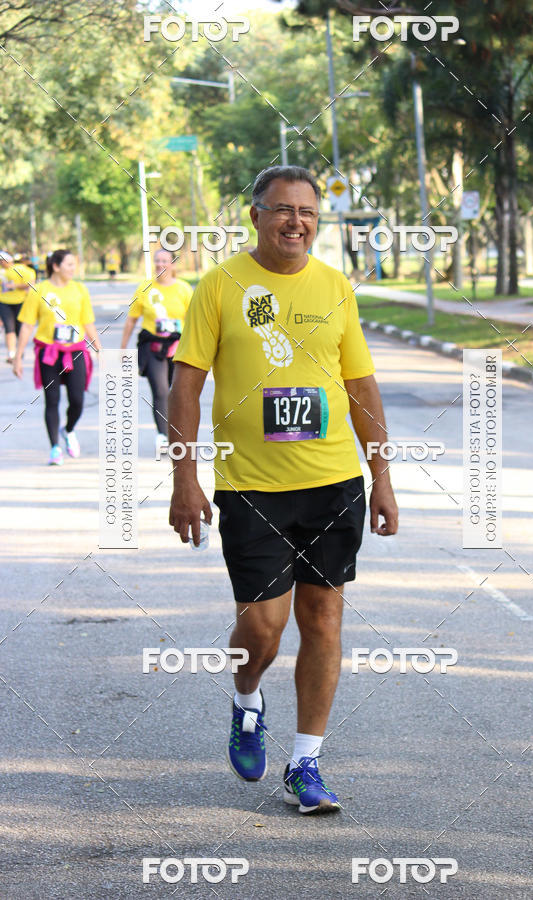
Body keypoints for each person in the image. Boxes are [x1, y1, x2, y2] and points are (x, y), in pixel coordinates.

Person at [168, 166, 398, 815]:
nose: (296, 221)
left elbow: (361, 388)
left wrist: (382, 478)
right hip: (251, 488)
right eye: (283, 210)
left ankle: (306, 762)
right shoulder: (220, 285)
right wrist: (185, 478)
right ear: (256, 215)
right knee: (263, 628)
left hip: (333, 484)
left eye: (308, 213)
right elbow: (186, 385)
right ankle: (247, 700)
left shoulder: (335, 287)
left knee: (324, 619)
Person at [13, 249, 101, 465]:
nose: (74, 269)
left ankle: (68, 430)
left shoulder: (80, 289)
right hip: (49, 353)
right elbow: (26, 325)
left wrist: (99, 349)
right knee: (52, 400)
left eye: (74, 265)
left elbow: (87, 321)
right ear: (56, 266)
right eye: (69, 265)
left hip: (76, 351)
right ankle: (54, 448)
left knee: (78, 400)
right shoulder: (39, 290)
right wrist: (17, 356)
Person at [121, 248, 192, 455]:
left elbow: (195, 320)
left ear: (173, 264)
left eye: (165, 261)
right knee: (160, 390)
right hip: (152, 346)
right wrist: (123, 347)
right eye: (157, 261)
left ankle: (176, 432)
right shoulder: (144, 288)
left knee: (176, 392)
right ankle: (162, 436)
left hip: (178, 346)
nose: (160, 264)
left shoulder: (184, 289)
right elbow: (132, 320)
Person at [0, 250, 36, 363]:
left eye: (2, 260)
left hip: (20, 302)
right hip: (4, 302)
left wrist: (14, 285)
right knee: (8, 328)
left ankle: (20, 350)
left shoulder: (20, 269)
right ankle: (11, 354)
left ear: (8, 260)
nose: (1, 263)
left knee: (19, 328)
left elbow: (29, 284)